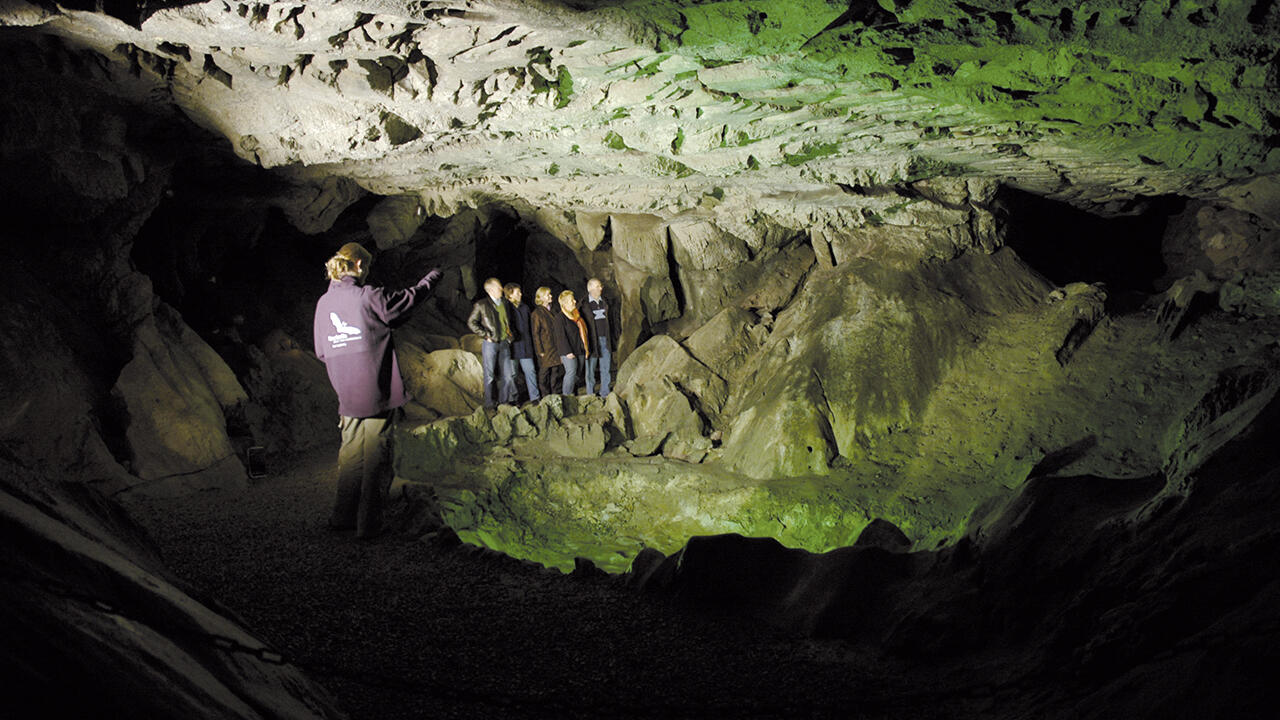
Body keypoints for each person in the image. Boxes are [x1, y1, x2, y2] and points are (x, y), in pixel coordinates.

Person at [312, 242, 440, 539]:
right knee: (377, 458)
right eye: (365, 267)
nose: (366, 272)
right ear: (358, 265)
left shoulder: (323, 304)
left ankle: (342, 516)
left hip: (345, 392)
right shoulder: (367, 296)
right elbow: (405, 303)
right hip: (374, 391)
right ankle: (368, 525)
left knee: (351, 456)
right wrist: (430, 280)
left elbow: (321, 351)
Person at [467, 277, 517, 408]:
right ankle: (489, 403)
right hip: (491, 344)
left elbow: (507, 321)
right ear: (490, 290)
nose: (501, 289)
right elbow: (471, 322)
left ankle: (504, 402)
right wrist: (485, 335)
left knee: (508, 375)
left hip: (504, 343)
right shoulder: (482, 305)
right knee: (489, 375)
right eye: (499, 287)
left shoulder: (505, 303)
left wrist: (510, 334)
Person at [579, 277, 616, 397]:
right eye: (598, 286)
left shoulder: (606, 302)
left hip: (605, 339)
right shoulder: (583, 305)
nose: (601, 288)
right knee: (590, 369)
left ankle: (605, 392)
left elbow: (613, 321)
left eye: (600, 286)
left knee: (606, 366)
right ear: (590, 289)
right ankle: (590, 394)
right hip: (592, 341)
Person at [505, 282, 540, 404]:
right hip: (512, 348)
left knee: (530, 371)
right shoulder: (505, 309)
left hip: (525, 346)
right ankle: (512, 399)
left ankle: (534, 397)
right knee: (512, 375)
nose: (520, 294)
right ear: (510, 295)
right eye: (517, 292)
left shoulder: (525, 308)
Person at [552, 289, 589, 395]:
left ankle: (573, 394)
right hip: (568, 351)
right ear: (564, 304)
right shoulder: (560, 318)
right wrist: (567, 352)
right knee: (571, 373)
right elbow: (560, 337)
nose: (574, 302)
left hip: (579, 349)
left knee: (577, 374)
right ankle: (566, 396)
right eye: (571, 301)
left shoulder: (575, 316)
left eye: (574, 300)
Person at [529, 286, 563, 398]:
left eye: (550, 294)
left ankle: (555, 393)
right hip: (546, 347)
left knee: (556, 370)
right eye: (548, 295)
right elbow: (535, 334)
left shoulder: (553, 310)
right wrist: (540, 351)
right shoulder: (537, 313)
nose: (551, 296)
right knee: (544, 372)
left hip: (555, 346)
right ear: (541, 297)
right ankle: (545, 395)